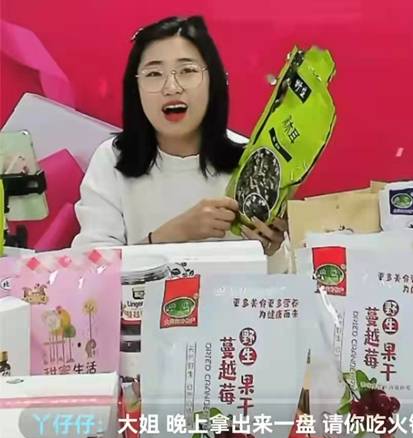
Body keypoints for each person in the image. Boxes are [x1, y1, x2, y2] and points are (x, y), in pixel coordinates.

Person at [72, 16, 288, 269]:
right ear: (136, 88)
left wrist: (271, 249)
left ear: (213, 81)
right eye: (154, 73)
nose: (171, 87)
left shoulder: (252, 160)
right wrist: (171, 235)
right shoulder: (111, 160)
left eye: (187, 71)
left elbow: (280, 276)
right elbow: (91, 271)